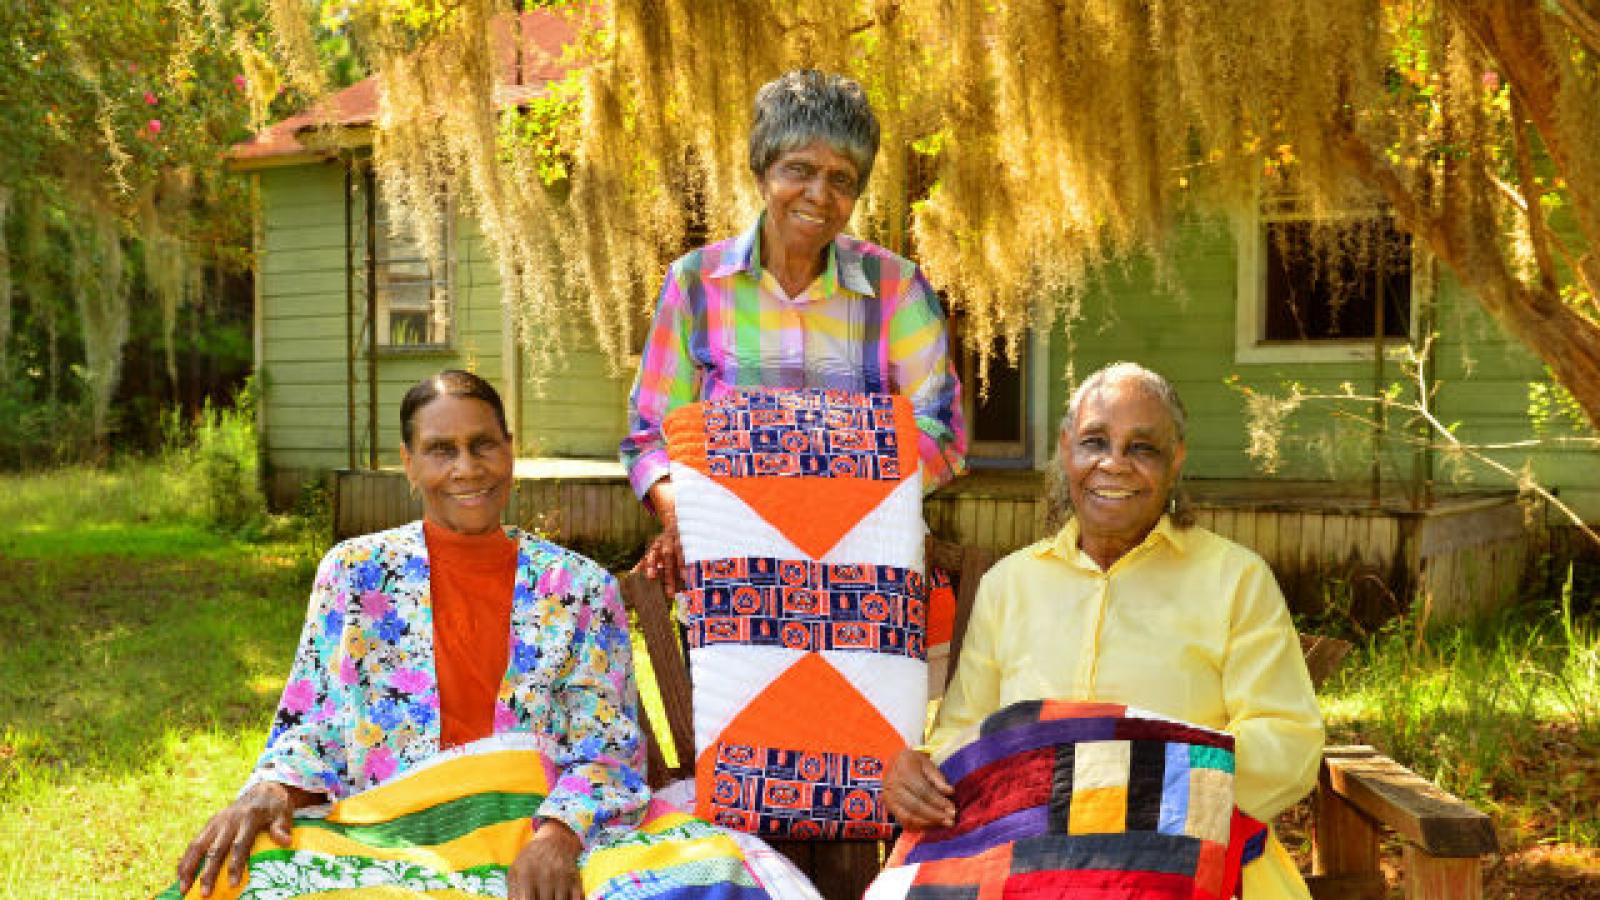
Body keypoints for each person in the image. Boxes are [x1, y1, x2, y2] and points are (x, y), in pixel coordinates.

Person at [174, 370, 645, 900]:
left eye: (482, 444)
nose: (467, 468)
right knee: (224, 886)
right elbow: (316, 725)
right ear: (409, 464)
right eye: (441, 450)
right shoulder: (355, 574)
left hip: (528, 834)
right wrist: (272, 788)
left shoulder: (578, 587)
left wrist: (558, 837)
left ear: (510, 451)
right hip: (383, 835)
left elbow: (607, 748)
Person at [883, 361, 1325, 898]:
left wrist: (1129, 787)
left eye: (1142, 447)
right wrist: (921, 775)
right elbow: (964, 736)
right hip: (1029, 872)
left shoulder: (1235, 579)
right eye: (1095, 441)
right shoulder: (1010, 585)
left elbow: (1288, 746)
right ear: (1066, 450)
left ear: (1176, 460)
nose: (1113, 463)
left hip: (1195, 863)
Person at [621, 69, 967, 594]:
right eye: (798, 170)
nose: (819, 195)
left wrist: (829, 508)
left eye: (842, 179)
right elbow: (650, 436)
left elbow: (942, 433)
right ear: (762, 174)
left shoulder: (898, 288)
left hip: (866, 572)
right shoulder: (695, 284)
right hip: (730, 571)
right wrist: (678, 517)